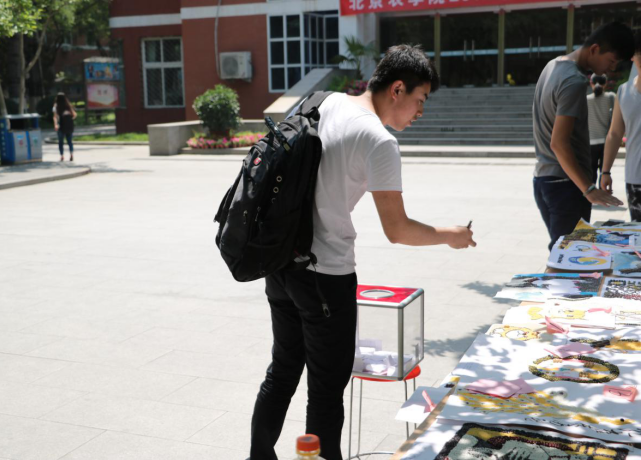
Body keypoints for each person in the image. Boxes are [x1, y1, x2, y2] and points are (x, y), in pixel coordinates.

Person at [249, 44, 476, 460]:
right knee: (325, 388)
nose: (420, 112)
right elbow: (397, 230)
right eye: (421, 100)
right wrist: (451, 235)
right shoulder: (378, 140)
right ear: (397, 89)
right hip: (325, 274)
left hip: (280, 260)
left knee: (282, 369)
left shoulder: (322, 101)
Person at [532, 21, 633, 251]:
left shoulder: (552, 66)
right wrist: (588, 189)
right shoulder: (574, 81)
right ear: (595, 49)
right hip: (565, 185)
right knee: (570, 257)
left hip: (544, 179)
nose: (610, 70)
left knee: (564, 251)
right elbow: (559, 143)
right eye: (611, 61)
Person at [601, 31, 641, 221]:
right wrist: (605, 171)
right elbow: (615, 134)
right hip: (635, 178)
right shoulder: (624, 92)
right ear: (632, 56)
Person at [586, 74, 615, 185]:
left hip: (591, 141)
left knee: (591, 171)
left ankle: (593, 192)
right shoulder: (611, 97)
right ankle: (603, 190)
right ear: (605, 83)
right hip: (606, 142)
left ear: (591, 83)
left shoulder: (586, 100)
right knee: (604, 172)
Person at [53, 93, 77, 162]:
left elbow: (55, 117)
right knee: (69, 141)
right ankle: (71, 154)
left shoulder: (56, 106)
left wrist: (56, 124)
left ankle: (62, 156)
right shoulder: (68, 105)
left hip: (61, 126)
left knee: (61, 142)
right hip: (69, 126)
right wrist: (69, 119)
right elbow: (74, 115)